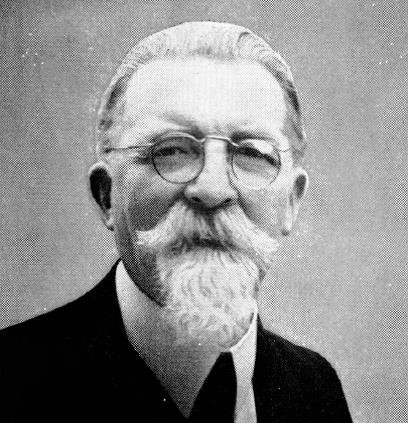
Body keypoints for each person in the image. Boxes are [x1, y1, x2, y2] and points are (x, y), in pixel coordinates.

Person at [0, 21, 353, 423]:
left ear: (290, 202)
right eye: (171, 151)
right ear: (107, 195)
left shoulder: (315, 387)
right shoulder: (11, 379)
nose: (212, 189)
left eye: (252, 154)